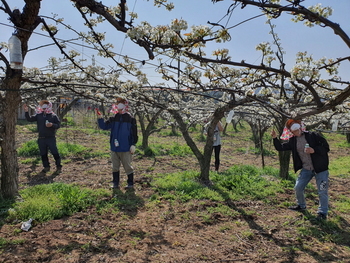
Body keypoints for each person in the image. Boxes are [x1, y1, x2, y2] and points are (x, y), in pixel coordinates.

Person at [271, 119, 330, 220]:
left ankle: (322, 213)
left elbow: (326, 148)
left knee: (322, 191)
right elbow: (280, 148)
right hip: (306, 169)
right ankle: (301, 205)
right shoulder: (293, 140)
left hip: (320, 169)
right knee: (298, 187)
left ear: (300, 128)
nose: (296, 132)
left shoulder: (313, 135)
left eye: (297, 130)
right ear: (291, 132)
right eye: (293, 131)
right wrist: (275, 138)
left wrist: (314, 150)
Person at [97, 97, 138, 190]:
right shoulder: (113, 118)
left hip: (125, 147)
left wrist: (133, 144)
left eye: (121, 104)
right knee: (115, 166)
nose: (118, 107)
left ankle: (130, 183)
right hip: (114, 147)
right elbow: (104, 126)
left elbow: (134, 133)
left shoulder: (130, 119)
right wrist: (100, 119)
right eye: (117, 105)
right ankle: (115, 183)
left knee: (128, 166)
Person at [23, 100, 62, 173]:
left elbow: (58, 125)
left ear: (49, 106)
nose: (44, 108)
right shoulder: (39, 115)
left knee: (54, 152)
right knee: (43, 153)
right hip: (41, 138)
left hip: (51, 138)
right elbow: (29, 119)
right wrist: (26, 112)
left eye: (46, 105)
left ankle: (58, 166)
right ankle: (46, 167)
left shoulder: (53, 116)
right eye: (43, 106)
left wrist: (52, 125)